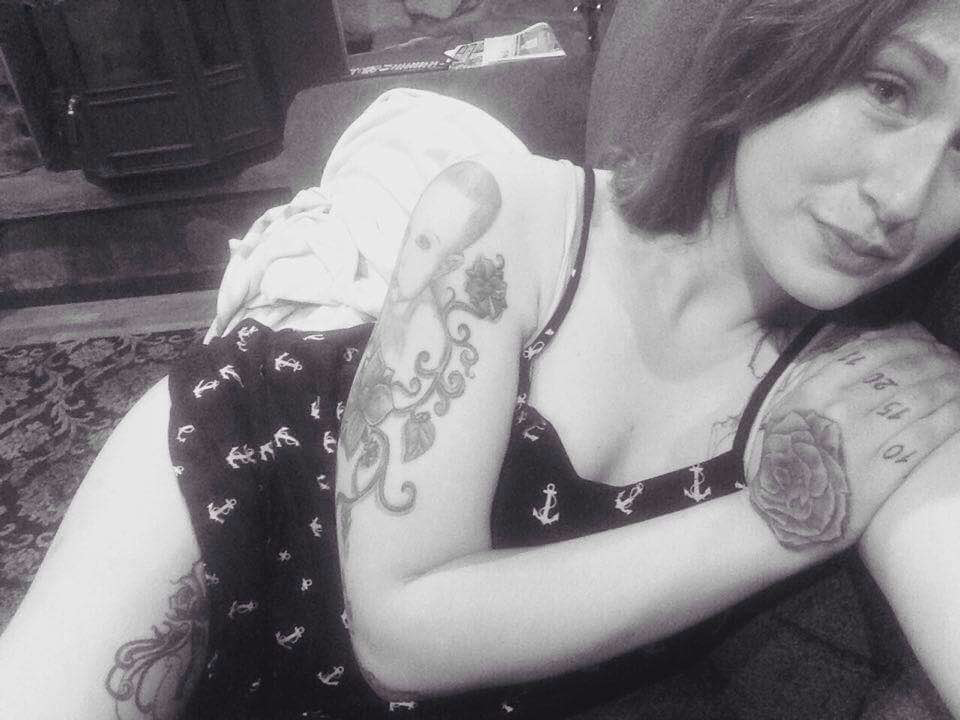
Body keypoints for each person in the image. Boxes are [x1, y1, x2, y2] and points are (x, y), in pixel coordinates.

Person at [2, 0, 960, 718]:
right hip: (250, 483)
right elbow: (399, 631)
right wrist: (786, 518)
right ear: (773, 48)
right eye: (888, 90)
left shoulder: (872, 387)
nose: (905, 197)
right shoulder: (503, 212)